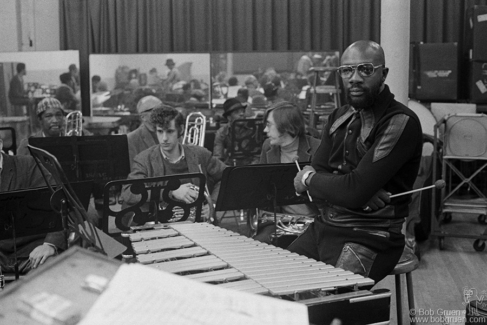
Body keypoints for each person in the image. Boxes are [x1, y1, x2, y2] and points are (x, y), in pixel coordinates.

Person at [292, 40, 423, 284]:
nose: (354, 77)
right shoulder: (338, 116)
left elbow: (337, 186)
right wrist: (355, 189)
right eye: (346, 70)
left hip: (371, 237)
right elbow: (333, 182)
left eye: (365, 69)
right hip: (324, 227)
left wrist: (311, 179)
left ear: (383, 73)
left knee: (327, 306)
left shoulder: (400, 122)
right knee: (279, 287)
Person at [120, 105, 226, 221]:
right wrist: (170, 192)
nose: (164, 138)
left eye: (170, 131)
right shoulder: (144, 159)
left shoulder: (200, 154)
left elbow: (227, 177)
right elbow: (128, 192)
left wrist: (213, 204)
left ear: (180, 130)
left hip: (198, 224)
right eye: (160, 132)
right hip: (161, 227)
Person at [254, 101, 321, 244]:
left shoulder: (317, 148)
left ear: (285, 127)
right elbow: (263, 187)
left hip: (314, 221)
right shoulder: (268, 147)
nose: (265, 130)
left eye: (269, 125)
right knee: (258, 246)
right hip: (280, 220)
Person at [0, 138, 66, 275]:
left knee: (51, 274)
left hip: (32, 249)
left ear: (0, 144)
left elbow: (59, 205)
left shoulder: (29, 165)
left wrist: (50, 245)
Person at [213, 98, 257, 166]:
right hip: (229, 168)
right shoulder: (222, 133)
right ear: (229, 117)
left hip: (250, 168)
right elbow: (218, 157)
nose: (241, 114)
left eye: (243, 111)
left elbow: (257, 155)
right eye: (236, 112)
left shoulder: (252, 130)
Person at [126, 95, 163, 168]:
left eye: (162, 108)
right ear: (143, 117)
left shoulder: (173, 132)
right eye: (156, 110)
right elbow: (134, 171)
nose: (162, 113)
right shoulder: (131, 139)